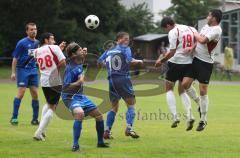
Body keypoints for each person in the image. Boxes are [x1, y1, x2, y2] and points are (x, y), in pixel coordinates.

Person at [62, 42, 109, 152]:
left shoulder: (78, 61)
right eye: (79, 51)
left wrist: (84, 53)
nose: (82, 52)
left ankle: (100, 142)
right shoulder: (70, 68)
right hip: (70, 97)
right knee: (80, 113)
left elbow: (81, 59)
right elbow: (65, 88)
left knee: (99, 116)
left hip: (81, 97)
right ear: (73, 55)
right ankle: (75, 145)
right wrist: (79, 82)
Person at [155, 17, 199, 131]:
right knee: (182, 90)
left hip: (175, 62)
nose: (166, 31)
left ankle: (175, 117)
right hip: (189, 63)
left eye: (165, 29)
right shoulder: (191, 28)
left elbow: (172, 52)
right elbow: (198, 40)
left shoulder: (173, 32)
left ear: (168, 25)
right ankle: (190, 116)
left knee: (169, 89)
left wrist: (161, 61)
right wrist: (191, 48)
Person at [182, 9, 223, 131]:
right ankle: (200, 104)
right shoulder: (205, 26)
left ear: (214, 18)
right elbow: (198, 41)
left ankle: (203, 120)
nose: (207, 16)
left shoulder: (217, 30)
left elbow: (203, 40)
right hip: (195, 60)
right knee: (185, 84)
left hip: (206, 64)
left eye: (209, 15)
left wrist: (194, 32)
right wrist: (191, 47)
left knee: (203, 91)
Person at [97, 32, 143, 139]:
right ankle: (129, 128)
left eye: (128, 39)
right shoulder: (125, 48)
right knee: (131, 104)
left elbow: (99, 62)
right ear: (119, 39)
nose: (127, 41)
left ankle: (107, 131)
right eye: (125, 38)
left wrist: (108, 66)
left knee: (114, 107)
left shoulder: (109, 50)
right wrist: (140, 61)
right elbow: (129, 61)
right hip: (122, 79)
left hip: (111, 80)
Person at [32, 32, 66, 140]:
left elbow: (47, 58)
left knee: (48, 103)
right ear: (46, 40)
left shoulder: (36, 51)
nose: (54, 41)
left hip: (44, 80)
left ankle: (42, 130)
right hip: (55, 80)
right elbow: (63, 63)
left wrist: (58, 49)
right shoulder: (54, 47)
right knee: (53, 107)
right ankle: (38, 132)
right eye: (52, 39)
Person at [10, 22, 40, 125]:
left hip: (33, 70)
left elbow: (38, 58)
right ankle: (14, 117)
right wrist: (13, 72)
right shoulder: (21, 43)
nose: (34, 31)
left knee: (35, 94)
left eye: (35, 29)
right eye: (31, 29)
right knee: (21, 92)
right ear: (27, 31)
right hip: (22, 70)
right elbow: (15, 58)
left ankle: (35, 119)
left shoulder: (37, 43)